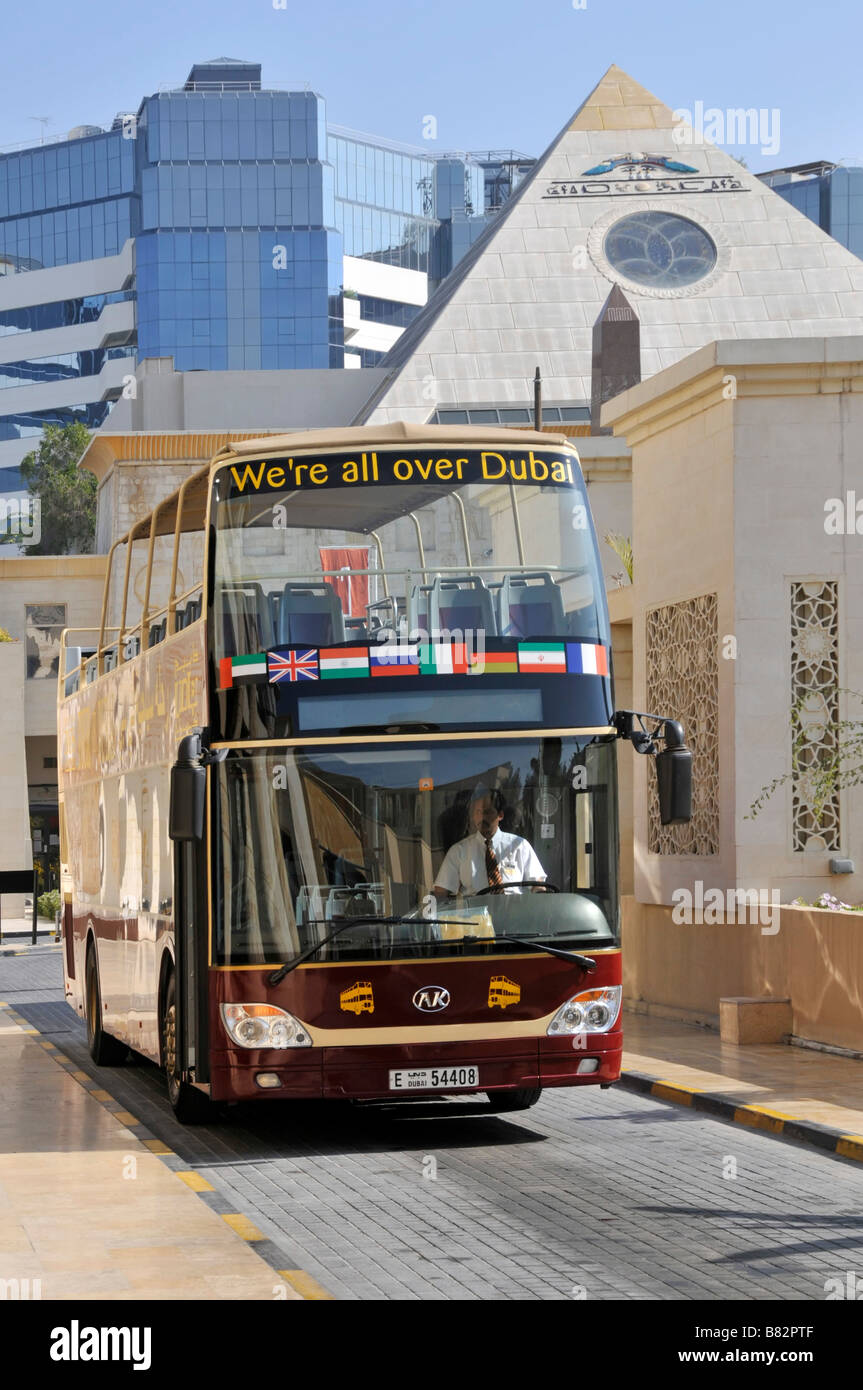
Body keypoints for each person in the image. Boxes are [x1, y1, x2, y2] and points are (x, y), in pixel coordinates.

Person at [433, 787, 546, 899]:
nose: (481, 817)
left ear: (500, 815)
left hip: (514, 913)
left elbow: (538, 885)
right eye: (478, 812)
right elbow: (441, 891)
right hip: (474, 914)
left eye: (487, 812)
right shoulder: (459, 850)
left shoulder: (519, 845)